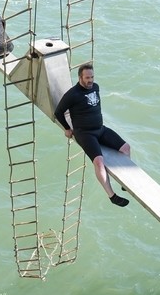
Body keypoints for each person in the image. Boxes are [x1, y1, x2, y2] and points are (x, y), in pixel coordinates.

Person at [53, 63, 131, 207]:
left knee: (126, 148)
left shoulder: (96, 87)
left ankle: (124, 183)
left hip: (100, 129)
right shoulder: (72, 94)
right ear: (80, 77)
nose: (90, 80)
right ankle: (112, 195)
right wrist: (67, 128)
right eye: (87, 77)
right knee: (99, 161)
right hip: (85, 133)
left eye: (92, 77)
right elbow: (58, 112)